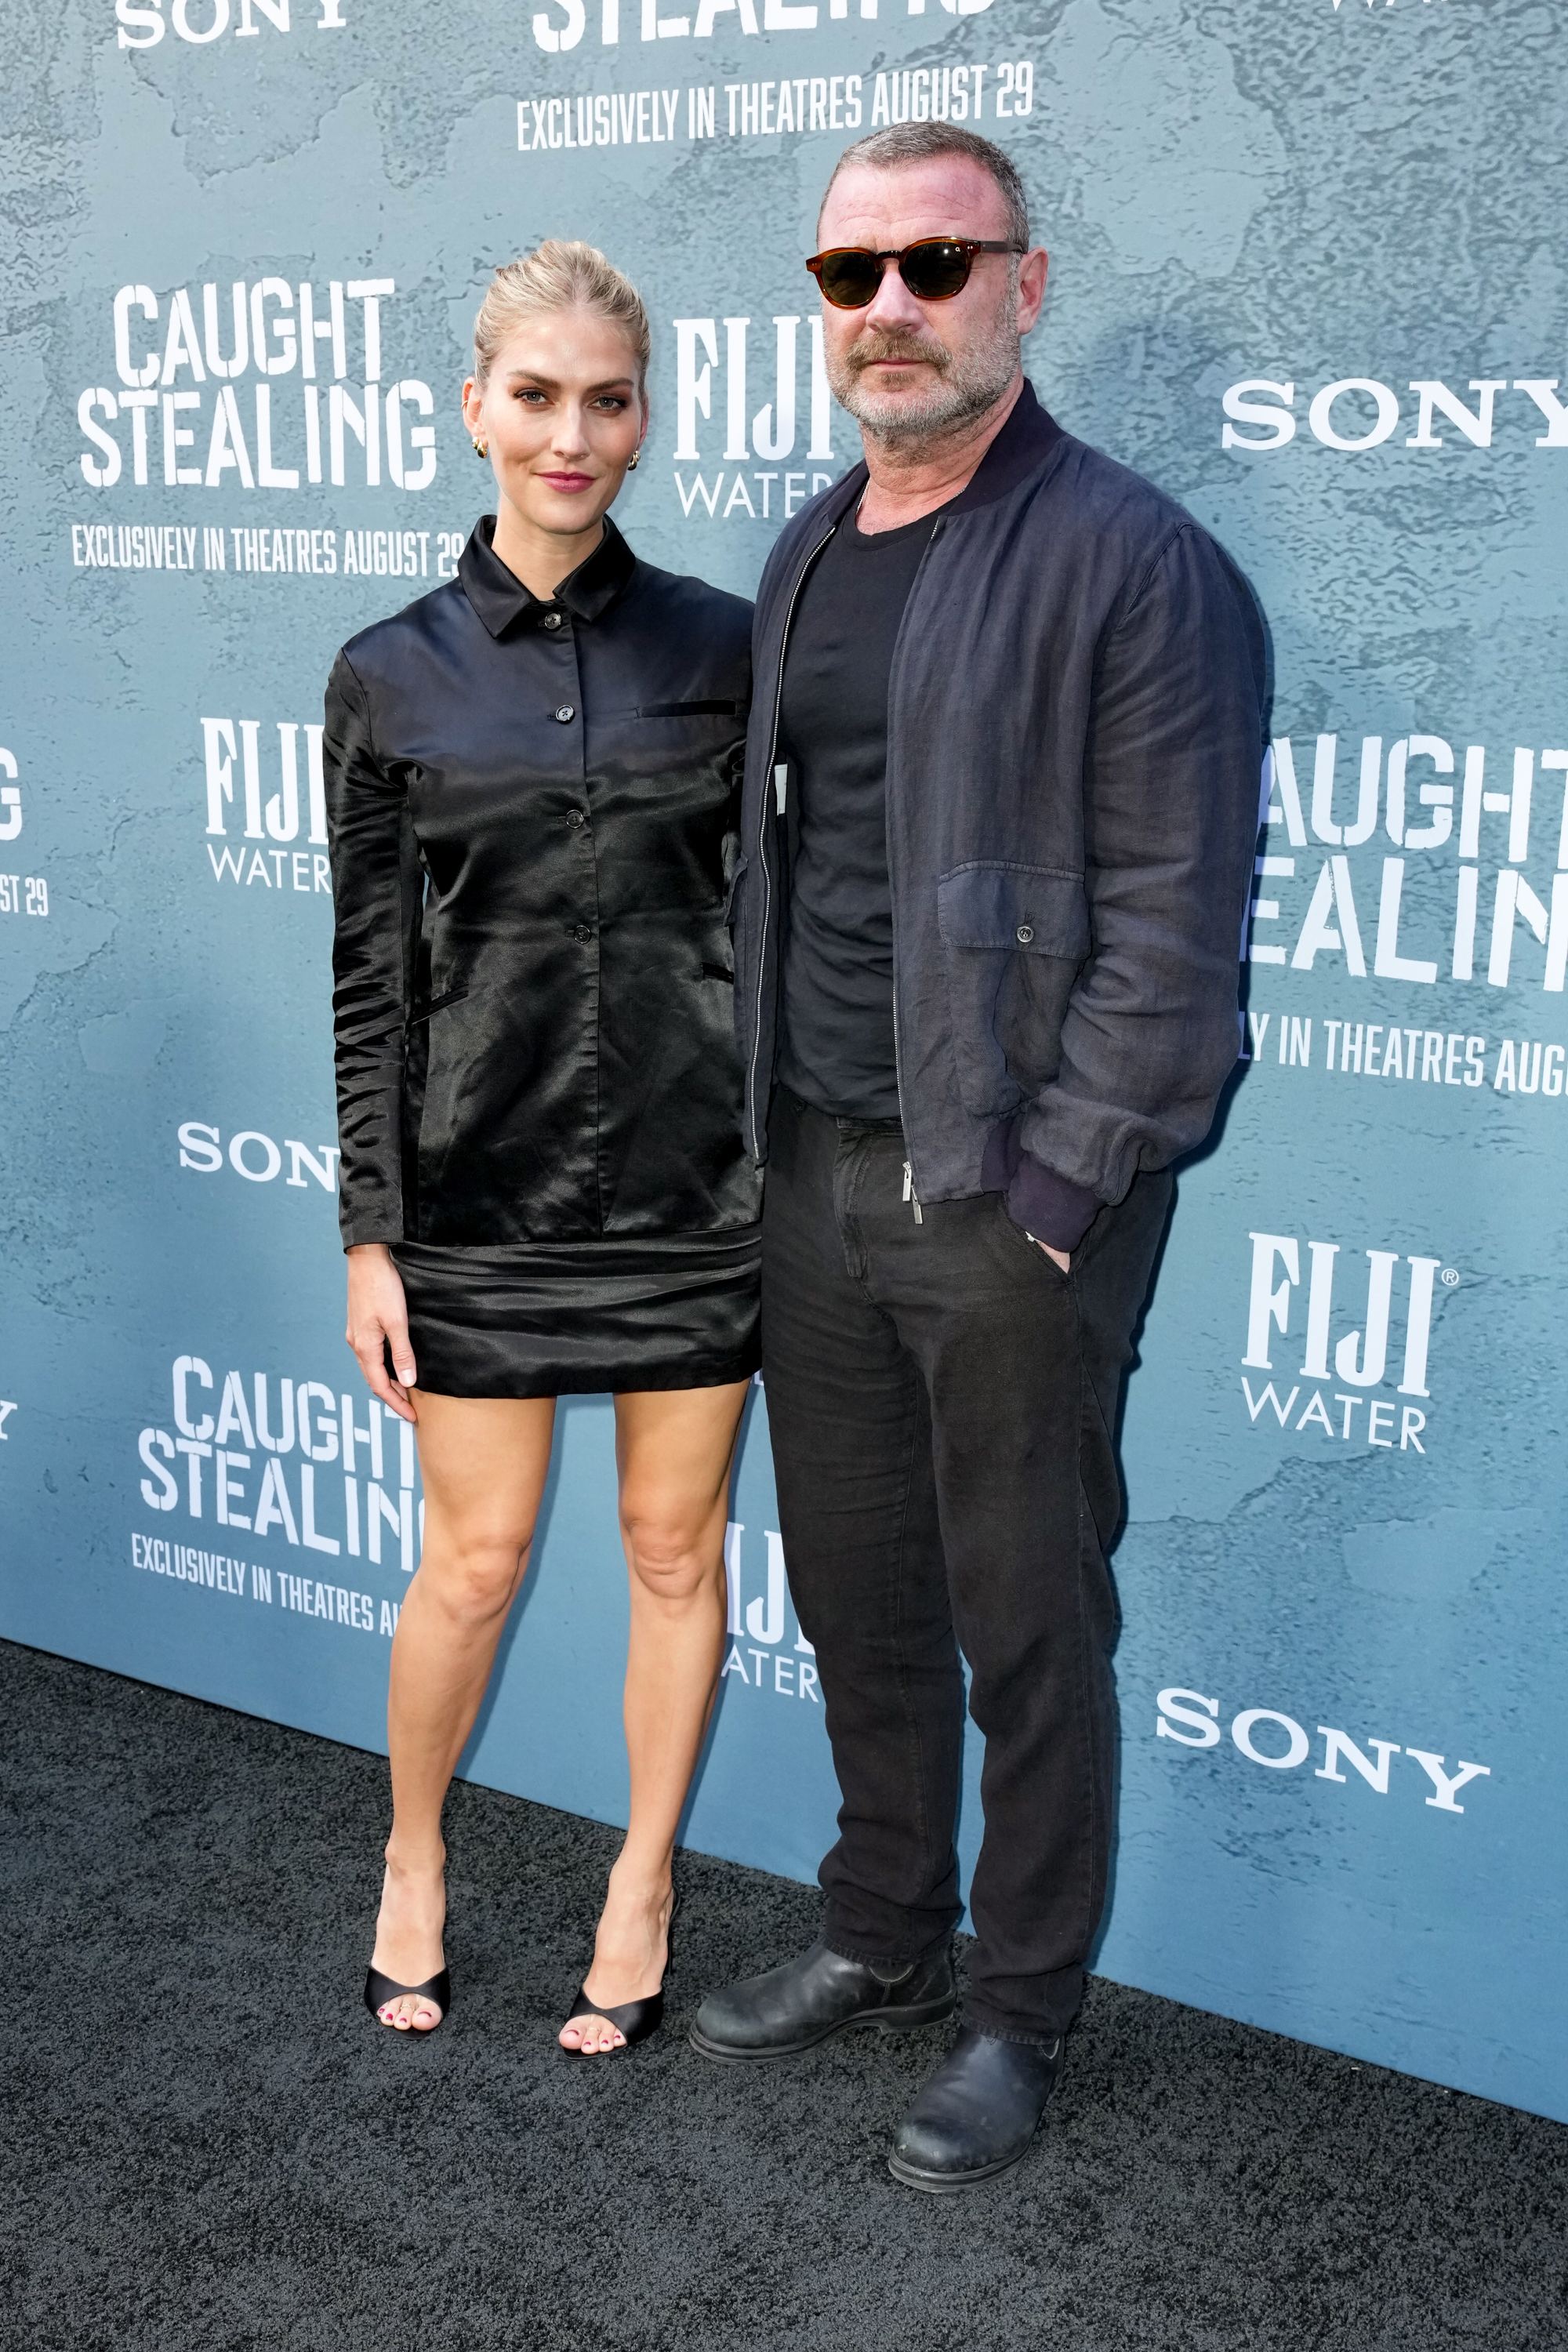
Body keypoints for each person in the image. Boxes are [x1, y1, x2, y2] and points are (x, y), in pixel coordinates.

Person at [693, 125, 1267, 2187]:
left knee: (1028, 1618)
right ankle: (881, 1932)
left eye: (937, 265)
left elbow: (1177, 928)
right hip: (817, 1177)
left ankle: (1022, 2014)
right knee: (859, 1595)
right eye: (853, 275)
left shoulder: (1132, 559)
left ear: (1025, 287)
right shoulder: (806, 552)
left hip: (1009, 1206)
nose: (892, 310)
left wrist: (1055, 1197)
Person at [324, 241, 760, 2052]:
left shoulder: (735, 648)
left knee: (677, 1551)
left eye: (607, 400)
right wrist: (372, 1229)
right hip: (480, 1190)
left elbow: (789, 918)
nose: (570, 434)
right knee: (475, 1566)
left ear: (645, 419)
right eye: (536, 395)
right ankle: (411, 1857)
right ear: (473, 405)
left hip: (705, 1188)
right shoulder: (386, 674)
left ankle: (641, 1876)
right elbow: (366, 971)